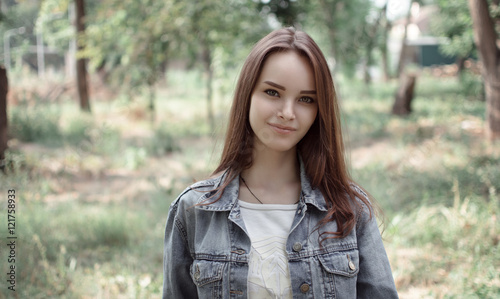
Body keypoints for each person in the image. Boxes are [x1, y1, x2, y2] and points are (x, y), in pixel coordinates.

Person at [163, 27, 398, 299]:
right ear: (247, 94)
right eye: (273, 93)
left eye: (306, 99)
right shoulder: (194, 211)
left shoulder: (349, 210)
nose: (287, 113)